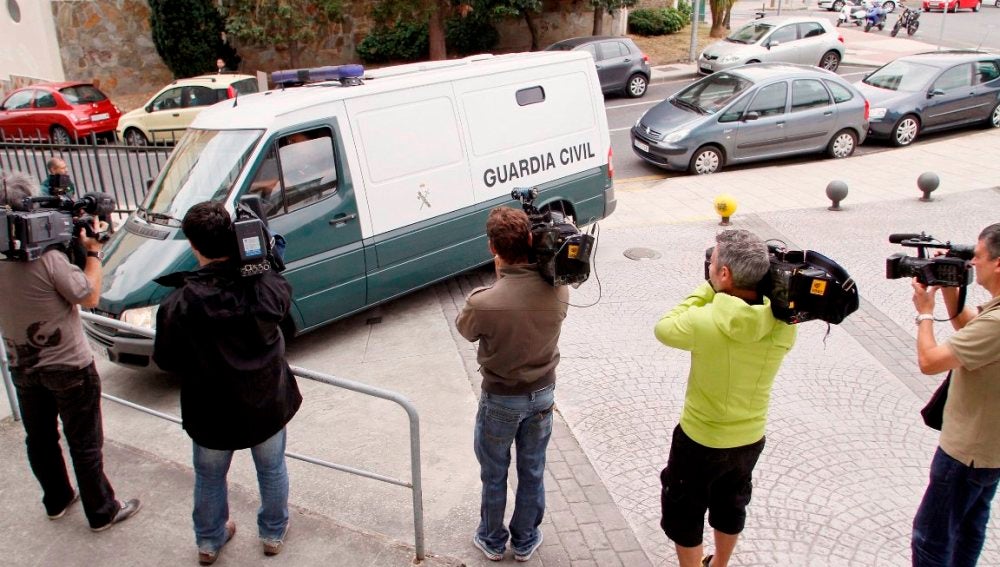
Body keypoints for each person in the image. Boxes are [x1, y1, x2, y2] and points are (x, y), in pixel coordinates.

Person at [152, 201, 302, 566]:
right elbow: (279, 301)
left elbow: (167, 361)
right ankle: (272, 532)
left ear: (193, 245)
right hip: (265, 404)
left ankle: (209, 540)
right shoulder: (265, 287)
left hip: (210, 411)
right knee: (271, 468)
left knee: (209, 476)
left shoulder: (179, 303)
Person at [0, 170, 141, 531]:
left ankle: (57, 499)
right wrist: (93, 253)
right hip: (69, 367)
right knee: (85, 442)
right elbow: (88, 295)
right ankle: (102, 510)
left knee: (41, 438)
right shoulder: (48, 261)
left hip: (22, 363)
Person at [654, 229, 797, 567]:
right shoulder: (784, 325)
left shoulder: (704, 321)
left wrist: (708, 290)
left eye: (713, 264)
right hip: (750, 437)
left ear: (724, 274)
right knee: (731, 503)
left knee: (685, 510)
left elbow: (664, 327)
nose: (710, 267)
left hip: (700, 438)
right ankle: (719, 564)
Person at [456, 206, 569, 562]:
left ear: (493, 248)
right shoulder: (559, 290)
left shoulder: (484, 301)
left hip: (501, 400)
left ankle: (491, 540)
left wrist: (498, 279)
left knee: (494, 473)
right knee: (532, 469)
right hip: (543, 395)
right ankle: (525, 540)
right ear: (533, 239)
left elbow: (466, 329)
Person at [910, 223, 1000, 566]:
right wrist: (950, 287)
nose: (972, 263)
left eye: (977, 257)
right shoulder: (993, 312)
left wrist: (925, 312)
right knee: (968, 529)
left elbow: (930, 361)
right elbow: (968, 327)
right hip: (988, 451)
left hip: (967, 452)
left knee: (931, 537)